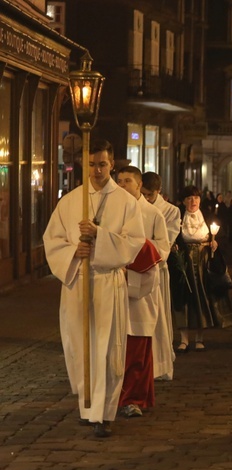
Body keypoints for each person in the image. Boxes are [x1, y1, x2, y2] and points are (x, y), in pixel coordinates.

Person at [43, 139, 145, 438]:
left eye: (102, 164)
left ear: (112, 164)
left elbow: (133, 243)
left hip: (106, 282)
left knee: (106, 348)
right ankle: (87, 408)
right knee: (80, 346)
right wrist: (75, 251)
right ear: (84, 164)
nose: (97, 170)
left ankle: (104, 413)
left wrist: (99, 237)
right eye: (92, 164)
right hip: (77, 282)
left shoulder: (126, 202)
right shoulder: (70, 201)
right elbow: (53, 241)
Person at [116, 166, 170, 418]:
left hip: (142, 283)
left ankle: (134, 397)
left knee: (137, 344)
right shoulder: (112, 210)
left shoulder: (152, 214)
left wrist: (138, 255)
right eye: (120, 181)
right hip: (114, 283)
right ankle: (114, 395)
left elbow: (162, 248)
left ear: (139, 185)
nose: (123, 184)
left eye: (128, 181)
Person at [173, 185, 232, 353]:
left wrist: (215, 243)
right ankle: (184, 339)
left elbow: (219, 235)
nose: (193, 201)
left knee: (202, 298)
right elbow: (172, 236)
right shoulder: (177, 217)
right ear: (184, 201)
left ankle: (199, 338)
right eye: (189, 198)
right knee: (184, 299)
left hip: (203, 262)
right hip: (185, 263)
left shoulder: (207, 217)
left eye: (195, 198)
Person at [141, 172, 181, 381]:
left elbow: (165, 242)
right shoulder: (133, 206)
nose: (146, 198)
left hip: (157, 267)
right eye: (143, 194)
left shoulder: (171, 211)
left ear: (158, 192)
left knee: (159, 314)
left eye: (149, 195)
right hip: (135, 268)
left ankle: (161, 359)